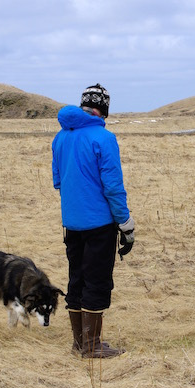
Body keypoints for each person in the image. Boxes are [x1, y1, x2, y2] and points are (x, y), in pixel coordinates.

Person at [52, 83, 134, 359]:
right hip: (99, 224)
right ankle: (92, 345)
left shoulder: (60, 137)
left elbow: (58, 181)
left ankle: (79, 343)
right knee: (97, 281)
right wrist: (125, 222)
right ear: (104, 109)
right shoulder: (103, 138)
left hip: (71, 223)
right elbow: (112, 186)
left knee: (76, 279)